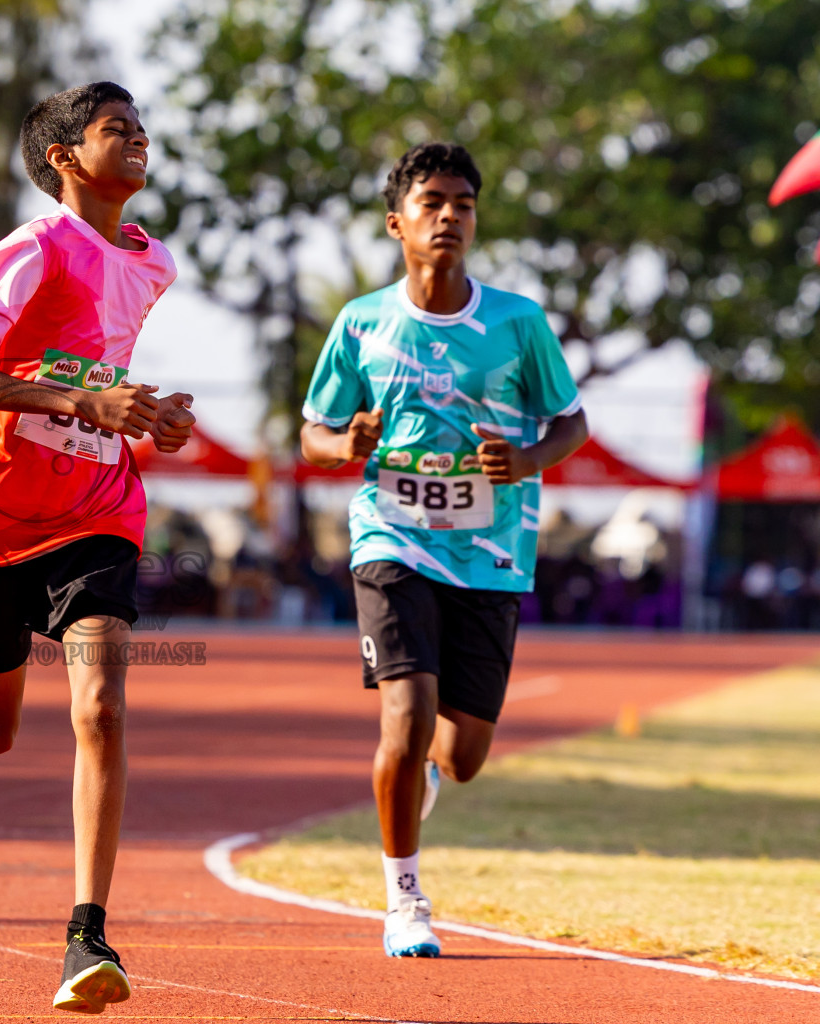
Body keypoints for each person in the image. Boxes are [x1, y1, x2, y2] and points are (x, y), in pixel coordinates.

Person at [0, 82, 194, 1015]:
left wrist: (148, 416)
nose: (139, 140)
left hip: (98, 506)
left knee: (101, 707)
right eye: (115, 130)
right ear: (63, 157)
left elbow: (99, 371)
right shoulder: (33, 249)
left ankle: (86, 935)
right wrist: (81, 400)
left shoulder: (154, 262)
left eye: (141, 128)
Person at [299, 142, 588, 959]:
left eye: (463, 203)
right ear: (398, 223)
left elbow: (572, 421)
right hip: (390, 535)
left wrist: (527, 460)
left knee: (461, 757)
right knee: (406, 709)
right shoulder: (362, 322)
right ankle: (405, 899)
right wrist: (346, 442)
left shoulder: (517, 323)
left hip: (492, 551)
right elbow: (314, 433)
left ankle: (426, 768)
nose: (450, 216)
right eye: (432, 202)